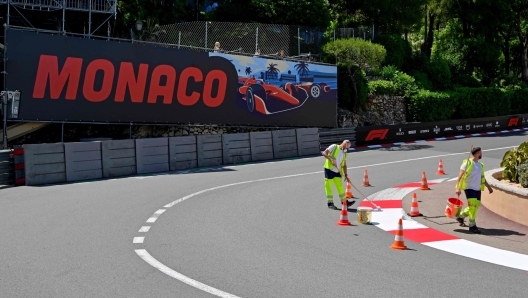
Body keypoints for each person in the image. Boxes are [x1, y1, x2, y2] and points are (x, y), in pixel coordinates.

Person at [455, 147, 494, 234]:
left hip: (477, 189)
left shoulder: (480, 165)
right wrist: (457, 188)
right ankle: (472, 226)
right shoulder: (467, 163)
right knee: (472, 207)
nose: (481, 154)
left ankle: (461, 216)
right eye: (481, 152)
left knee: (475, 206)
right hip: (469, 188)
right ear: (478, 153)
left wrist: (488, 187)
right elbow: (460, 176)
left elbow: (482, 178)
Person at [322, 140, 354, 210]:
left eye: (347, 148)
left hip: (338, 171)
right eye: (346, 147)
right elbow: (324, 153)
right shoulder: (334, 147)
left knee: (340, 186)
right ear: (343, 144)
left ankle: (344, 202)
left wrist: (346, 174)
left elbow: (344, 165)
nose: (346, 149)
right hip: (329, 169)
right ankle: (330, 203)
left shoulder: (345, 153)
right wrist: (331, 160)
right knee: (328, 186)